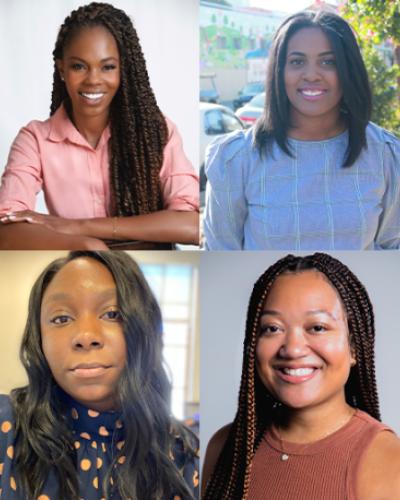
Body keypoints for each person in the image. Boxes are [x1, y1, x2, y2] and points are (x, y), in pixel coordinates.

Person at [0, 251, 199, 499]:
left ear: (144, 328)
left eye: (112, 314)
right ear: (39, 340)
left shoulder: (182, 453)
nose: (85, 336)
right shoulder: (6, 426)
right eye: (61, 318)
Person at [0, 2, 199, 250]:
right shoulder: (35, 139)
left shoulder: (156, 132)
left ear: (123, 70)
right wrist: (88, 246)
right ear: (62, 69)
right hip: (78, 261)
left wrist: (80, 227)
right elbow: (7, 228)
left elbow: (193, 226)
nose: (93, 79)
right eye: (78, 66)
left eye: (108, 67)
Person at [202, 253, 400, 499]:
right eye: (272, 328)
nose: (293, 349)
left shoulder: (389, 460)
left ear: (354, 347)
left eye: (317, 327)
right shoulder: (224, 447)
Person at [204, 10, 400, 250]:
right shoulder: (235, 159)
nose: (311, 75)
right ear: (279, 71)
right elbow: (221, 258)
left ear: (348, 70)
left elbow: (393, 250)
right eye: (297, 62)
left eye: (328, 62)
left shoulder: (385, 154)